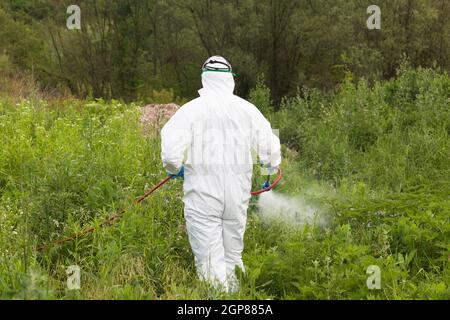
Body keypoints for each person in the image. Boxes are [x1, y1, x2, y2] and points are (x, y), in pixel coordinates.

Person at [161, 56, 281, 292]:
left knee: (209, 261)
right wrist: (268, 172)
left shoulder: (191, 110)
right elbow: (270, 149)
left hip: (203, 198)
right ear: (230, 79)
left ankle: (217, 300)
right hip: (237, 197)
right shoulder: (247, 109)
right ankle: (238, 299)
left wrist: (178, 171)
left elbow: (170, 155)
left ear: (204, 79)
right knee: (233, 256)